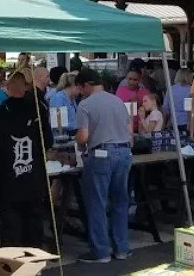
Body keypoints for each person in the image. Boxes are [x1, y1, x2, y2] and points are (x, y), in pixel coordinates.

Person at [0, 72, 52, 247]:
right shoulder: (38, 111)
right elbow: (48, 141)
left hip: (8, 179)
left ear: (7, 88)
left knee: (10, 230)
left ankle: (13, 261)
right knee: (34, 228)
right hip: (34, 179)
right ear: (26, 87)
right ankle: (34, 260)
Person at [75, 68, 132, 264]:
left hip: (101, 154)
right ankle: (121, 249)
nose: (80, 92)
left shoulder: (85, 105)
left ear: (86, 85)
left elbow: (83, 136)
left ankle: (101, 252)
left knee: (97, 203)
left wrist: (79, 144)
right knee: (120, 202)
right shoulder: (118, 101)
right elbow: (129, 130)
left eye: (80, 88)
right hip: (124, 152)